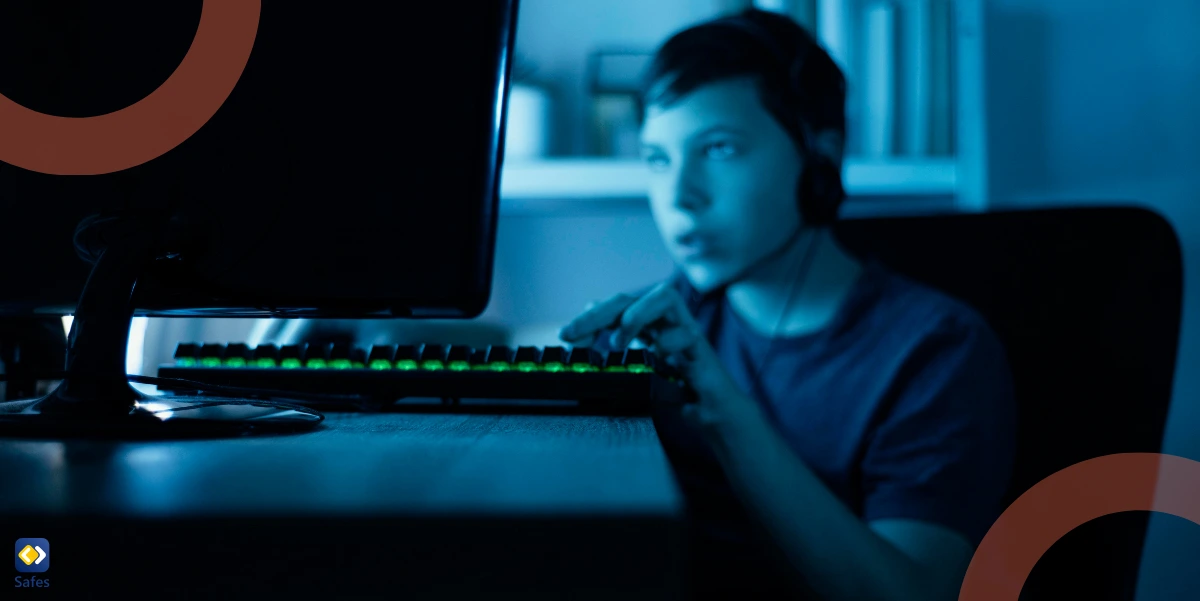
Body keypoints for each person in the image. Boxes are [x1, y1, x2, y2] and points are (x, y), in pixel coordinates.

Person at [559, 9, 1017, 601]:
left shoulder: (936, 352)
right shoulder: (669, 324)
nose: (679, 197)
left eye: (718, 149)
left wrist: (727, 414)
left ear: (818, 157)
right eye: (657, 159)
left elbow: (912, 593)